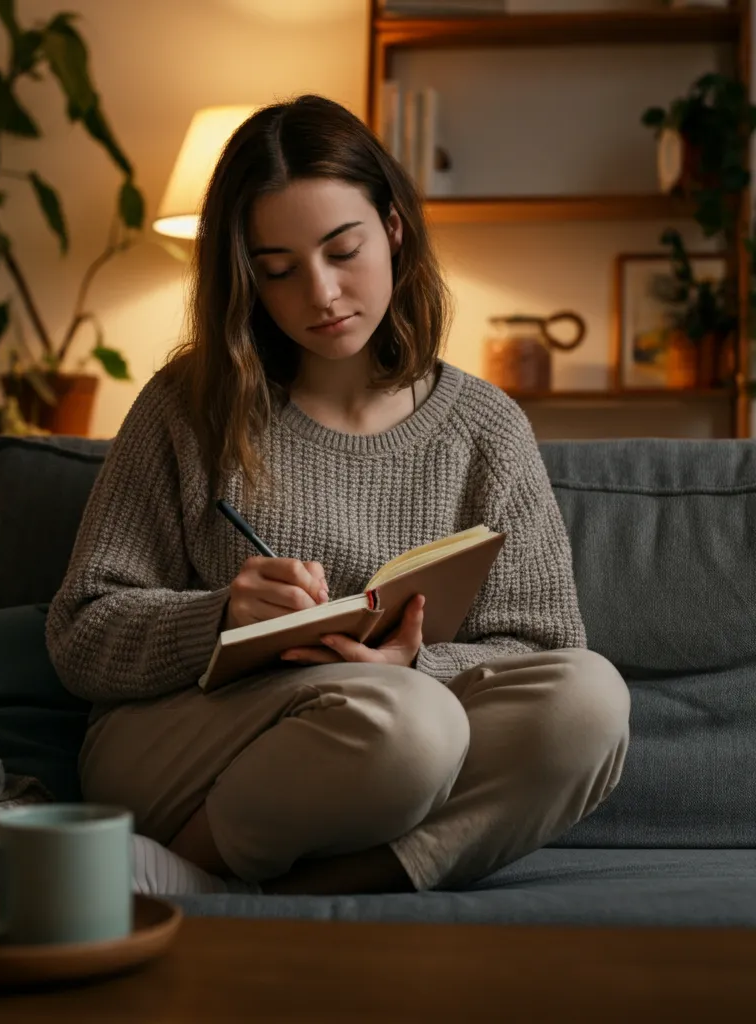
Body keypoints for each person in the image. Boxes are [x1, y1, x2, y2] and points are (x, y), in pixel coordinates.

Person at [45, 94, 630, 896]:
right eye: (278, 270)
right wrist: (215, 615)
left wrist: (412, 662)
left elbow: (545, 650)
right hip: (192, 740)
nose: (320, 294)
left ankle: (251, 888)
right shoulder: (191, 404)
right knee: (408, 727)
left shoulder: (486, 427)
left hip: (391, 737)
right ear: (247, 277)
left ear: (392, 229)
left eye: (342, 250)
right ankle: (205, 849)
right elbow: (80, 634)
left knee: (590, 701)